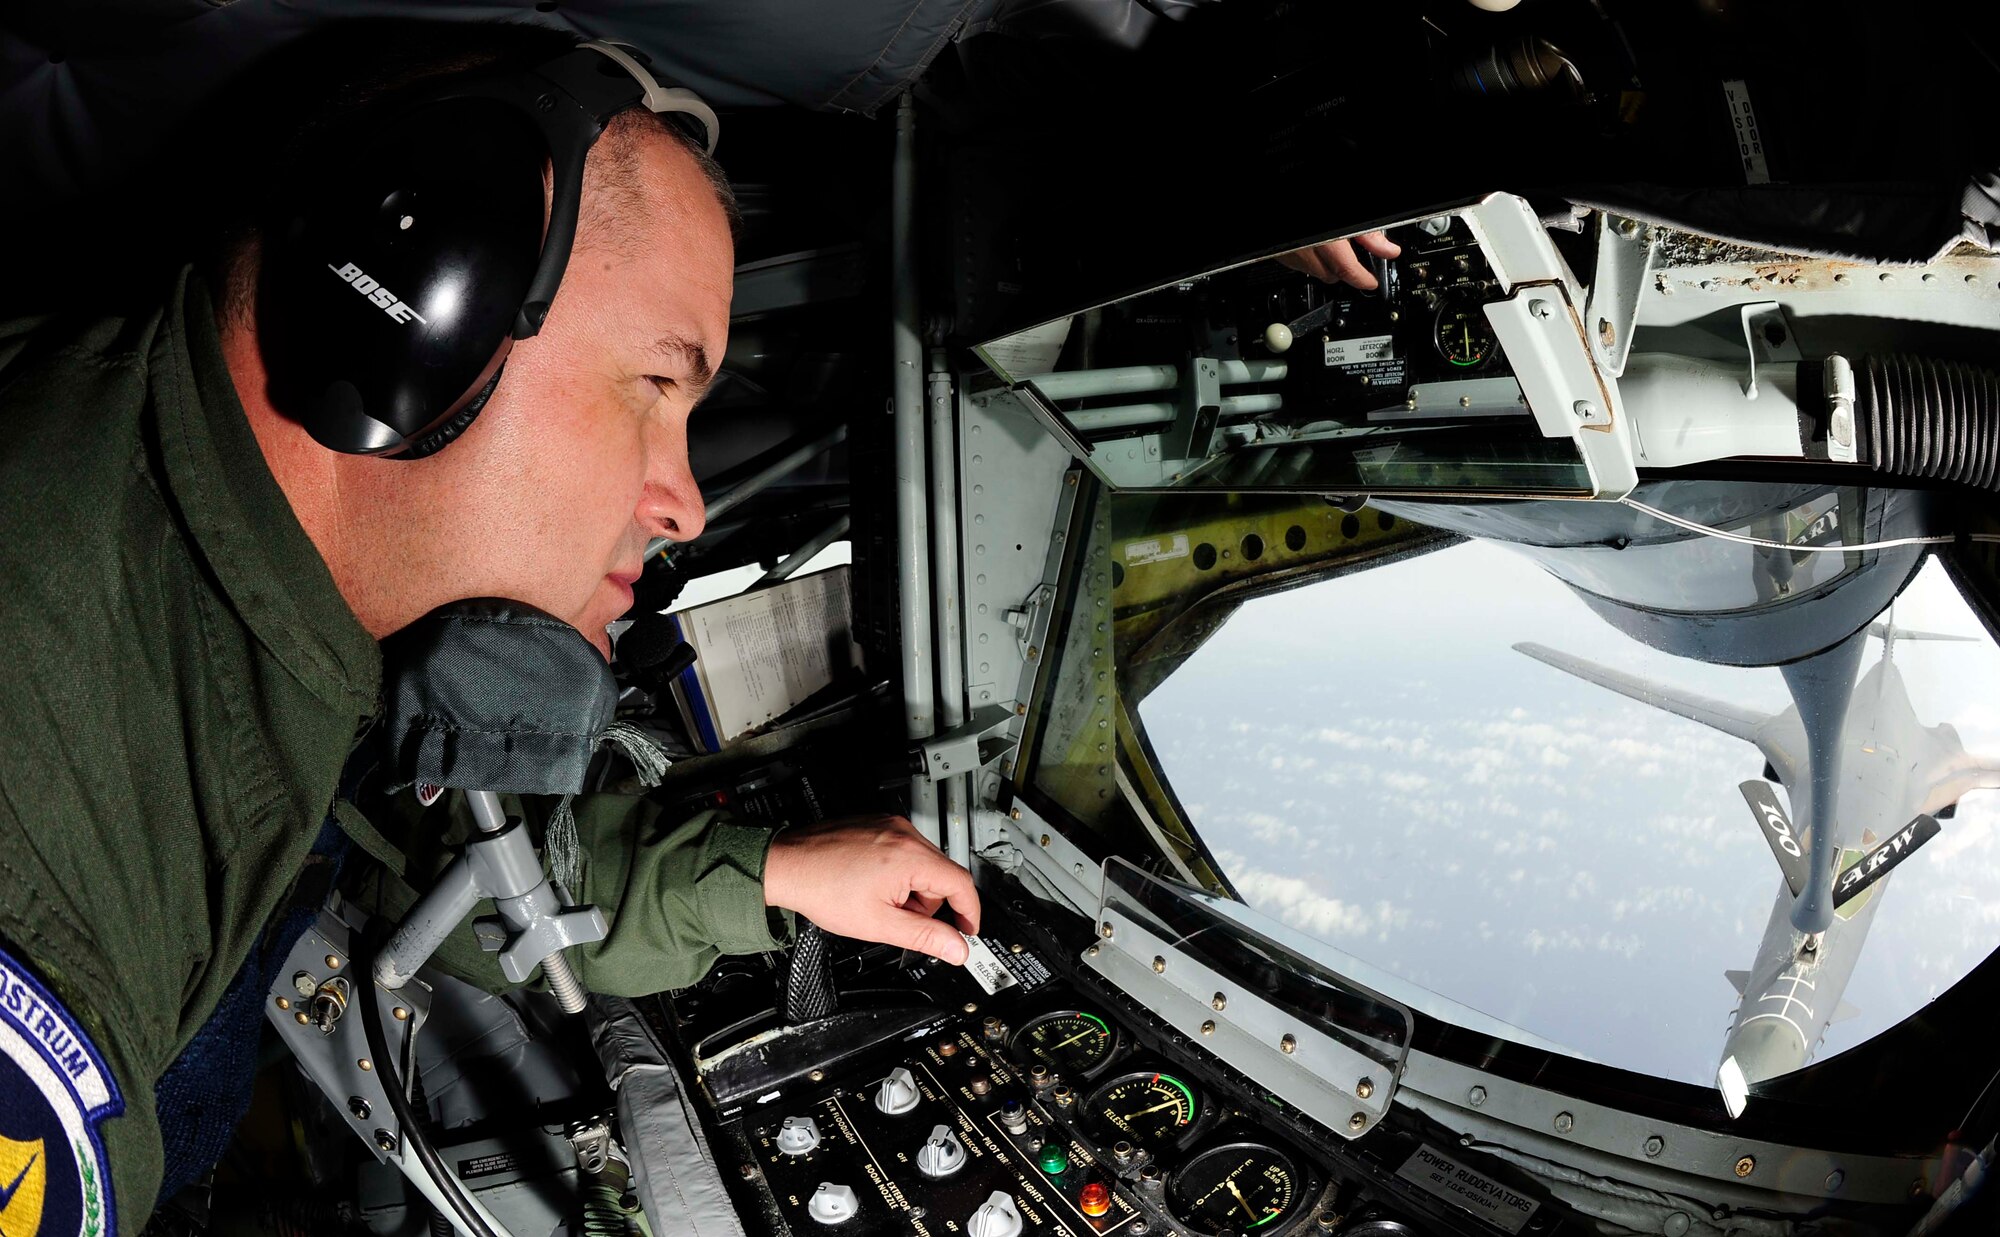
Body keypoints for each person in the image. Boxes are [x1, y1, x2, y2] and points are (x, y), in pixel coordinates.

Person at [0, 23, 976, 1232]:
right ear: (413, 324)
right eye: (657, 387)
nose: (686, 502)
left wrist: (768, 878)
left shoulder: (264, 589)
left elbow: (453, 864)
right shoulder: (46, 808)